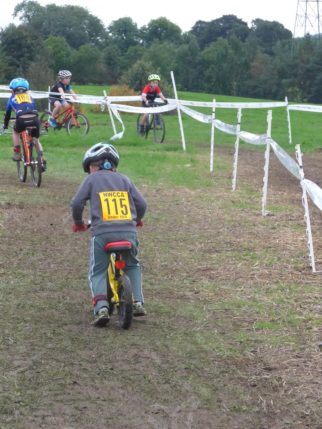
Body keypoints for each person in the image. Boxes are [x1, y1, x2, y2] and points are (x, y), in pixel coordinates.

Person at [71, 142, 147, 327]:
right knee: (133, 265)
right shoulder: (125, 180)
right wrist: (137, 219)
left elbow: (77, 203)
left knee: (97, 270)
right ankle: (137, 302)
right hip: (129, 233)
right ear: (113, 165)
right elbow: (142, 204)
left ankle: (102, 307)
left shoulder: (91, 180)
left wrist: (79, 223)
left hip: (102, 233)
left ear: (92, 166)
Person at [2, 77, 46, 168]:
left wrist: (5, 125)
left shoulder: (11, 99)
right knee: (36, 139)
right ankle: (41, 160)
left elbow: (7, 115)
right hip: (35, 120)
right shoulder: (30, 97)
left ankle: (17, 152)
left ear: (14, 90)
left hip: (21, 120)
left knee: (15, 132)